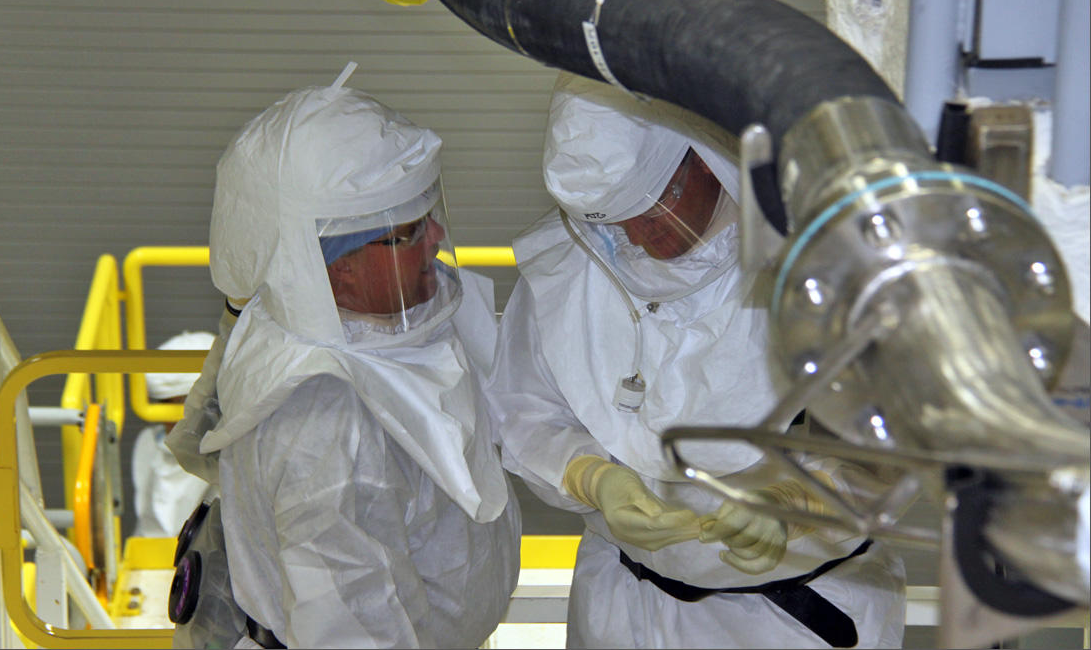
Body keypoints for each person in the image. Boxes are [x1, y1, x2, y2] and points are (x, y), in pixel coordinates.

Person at [485, 72, 906, 649]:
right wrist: (589, 475)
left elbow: (897, 436)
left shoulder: (832, 265)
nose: (637, 235)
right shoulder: (569, 269)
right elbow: (526, 410)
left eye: (657, 204)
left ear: (705, 156)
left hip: (794, 620)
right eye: (611, 220)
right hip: (622, 604)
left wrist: (798, 502)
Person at [166, 66, 521, 649]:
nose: (435, 239)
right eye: (407, 233)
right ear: (333, 265)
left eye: (431, 215)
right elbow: (352, 633)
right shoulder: (324, 422)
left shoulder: (385, 325)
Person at [131, 330, 215, 539]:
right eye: (164, 404)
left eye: (179, 403)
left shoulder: (227, 452)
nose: (167, 416)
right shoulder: (149, 443)